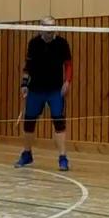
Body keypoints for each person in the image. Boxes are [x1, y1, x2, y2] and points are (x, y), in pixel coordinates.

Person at [15, 16, 72, 171]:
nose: (50, 30)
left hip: (55, 90)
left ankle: (63, 158)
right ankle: (27, 154)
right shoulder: (34, 44)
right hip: (35, 89)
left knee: (59, 122)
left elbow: (68, 65)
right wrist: (24, 84)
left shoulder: (62, 43)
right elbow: (28, 66)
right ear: (41, 27)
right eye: (47, 27)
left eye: (52, 27)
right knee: (29, 121)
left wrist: (67, 81)